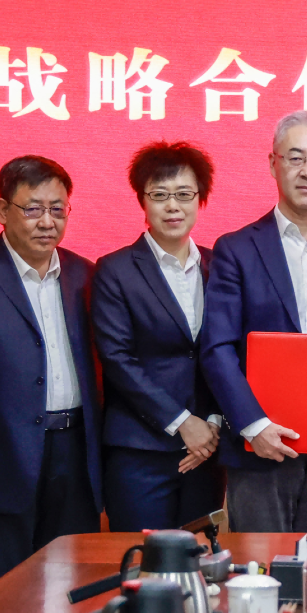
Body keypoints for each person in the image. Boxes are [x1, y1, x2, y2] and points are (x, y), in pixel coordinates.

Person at [0, 155, 103, 592]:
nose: (47, 221)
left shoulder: (85, 274)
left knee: (69, 590)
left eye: (57, 209)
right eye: (33, 209)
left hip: (74, 454)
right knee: (2, 596)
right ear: (3, 210)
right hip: (0, 461)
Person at [200, 111, 307, 533]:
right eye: (295, 158)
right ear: (273, 163)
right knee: (260, 566)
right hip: (258, 448)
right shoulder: (237, 249)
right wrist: (253, 425)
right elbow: (217, 348)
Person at [93, 142, 225, 531]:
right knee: (143, 561)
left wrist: (213, 423)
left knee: (200, 559)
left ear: (200, 199)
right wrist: (183, 422)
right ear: (142, 200)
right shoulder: (114, 270)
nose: (173, 206)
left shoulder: (219, 265)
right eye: (160, 195)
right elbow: (117, 359)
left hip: (207, 452)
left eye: (184, 195)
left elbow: (229, 352)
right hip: (140, 452)